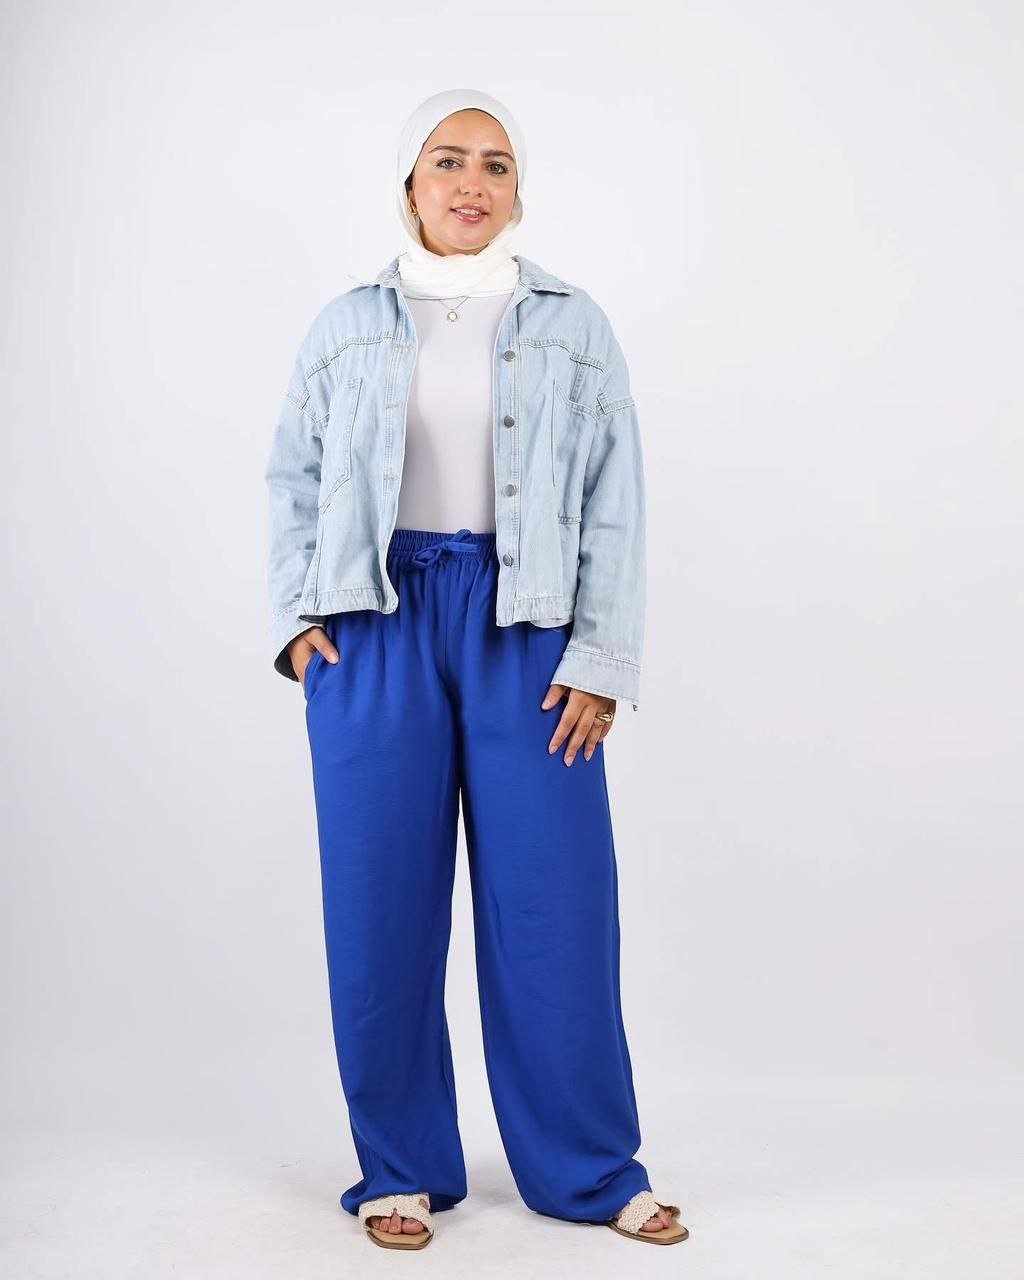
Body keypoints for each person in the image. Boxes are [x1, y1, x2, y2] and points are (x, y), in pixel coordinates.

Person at [264, 87, 688, 1250]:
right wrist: (298, 621)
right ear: (409, 185)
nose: (471, 182)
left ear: (518, 194)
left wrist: (599, 656)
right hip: (374, 625)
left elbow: (614, 500)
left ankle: (589, 1168)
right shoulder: (346, 325)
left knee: (557, 907)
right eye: (447, 160)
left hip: (526, 625)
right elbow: (291, 478)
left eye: (495, 165)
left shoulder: (572, 325)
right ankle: (399, 1167)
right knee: (379, 904)